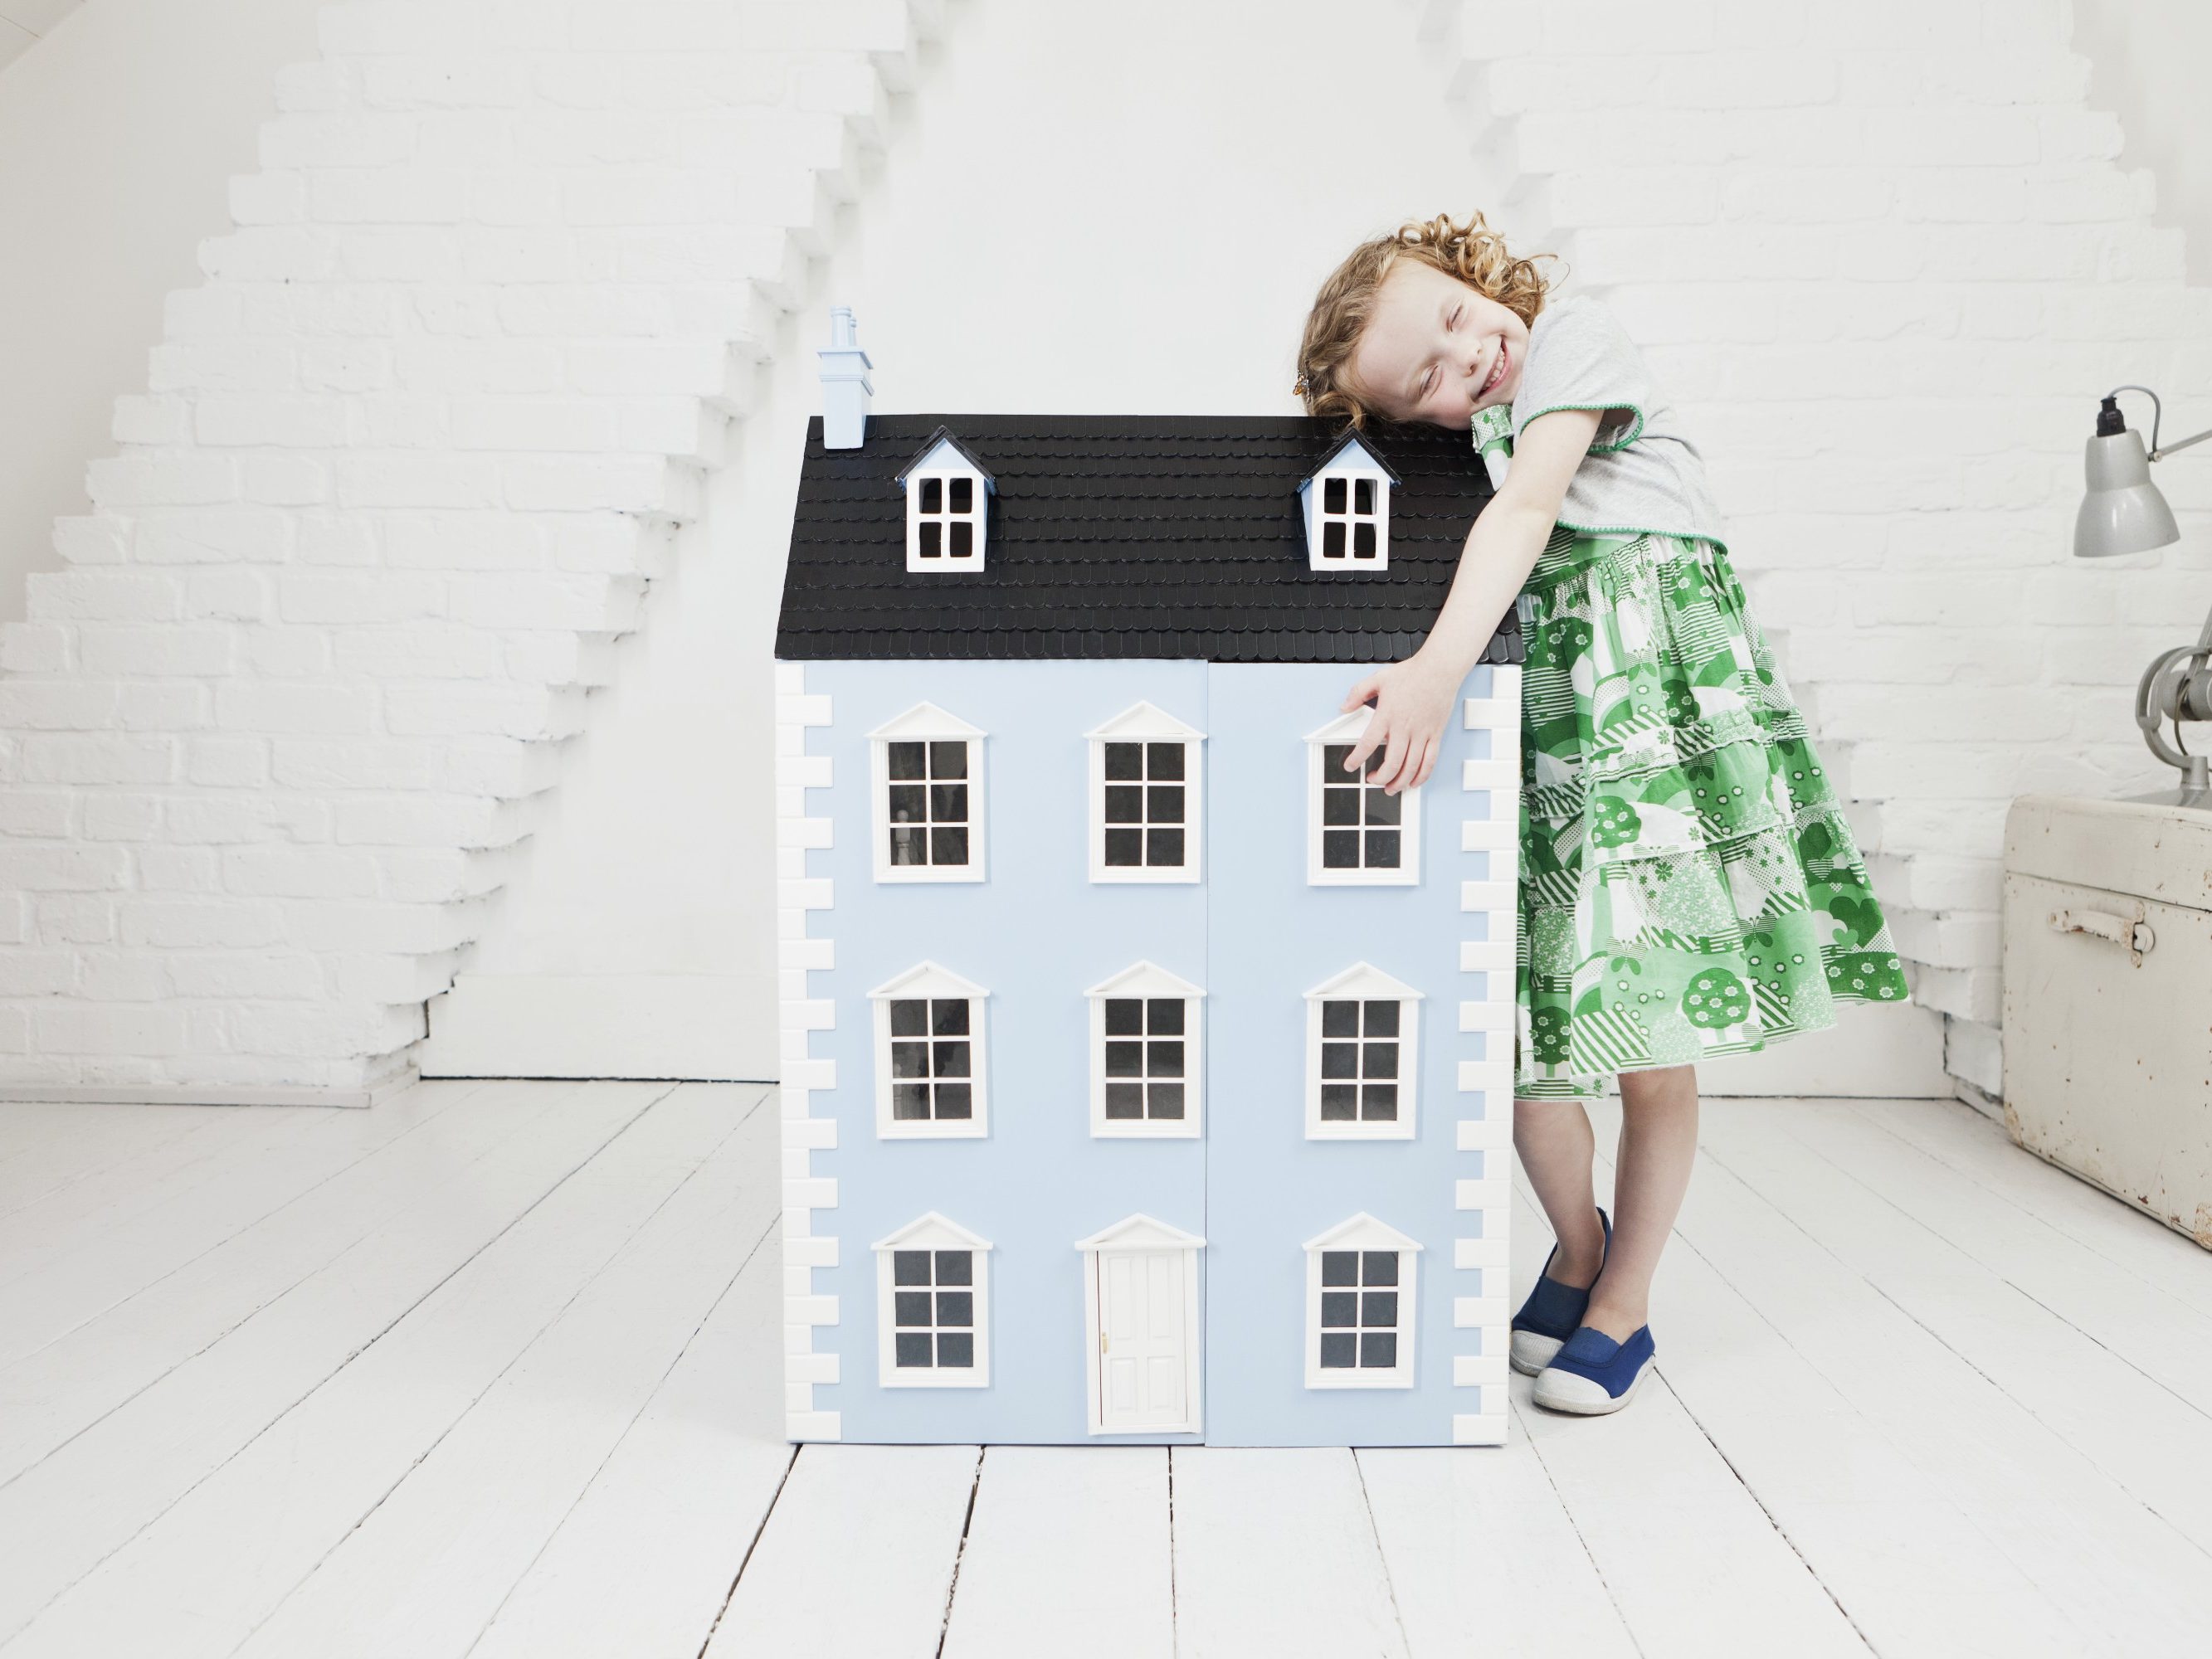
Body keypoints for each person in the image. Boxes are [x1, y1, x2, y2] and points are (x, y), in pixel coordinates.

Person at [1291, 211, 1909, 1415]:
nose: (1470, 358)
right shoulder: (1471, 436)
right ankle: (1578, 1246)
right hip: (1558, 741)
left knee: (1653, 1034)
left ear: (1472, 277)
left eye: (1458, 319)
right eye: (1427, 378)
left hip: (1656, 732)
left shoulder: (1570, 342)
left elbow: (1529, 513)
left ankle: (1624, 1300)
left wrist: (1433, 673)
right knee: (1530, 1042)